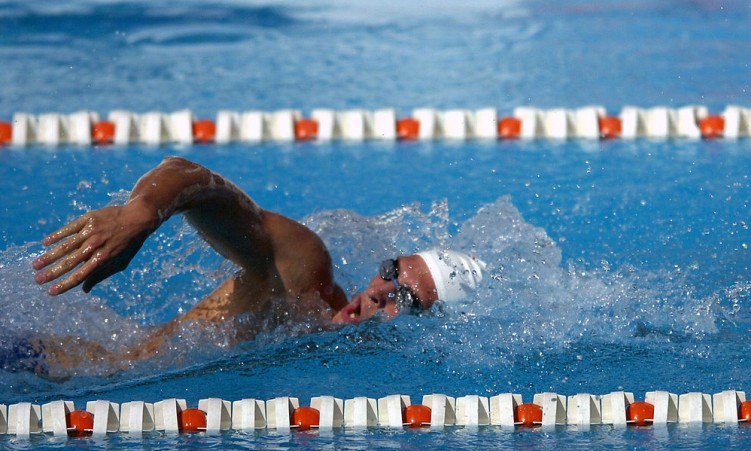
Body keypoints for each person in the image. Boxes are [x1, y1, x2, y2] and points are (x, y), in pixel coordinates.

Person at [29, 156, 484, 370]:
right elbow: (192, 176)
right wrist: (143, 213)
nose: (377, 291)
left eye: (403, 297)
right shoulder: (305, 281)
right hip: (45, 365)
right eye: (390, 271)